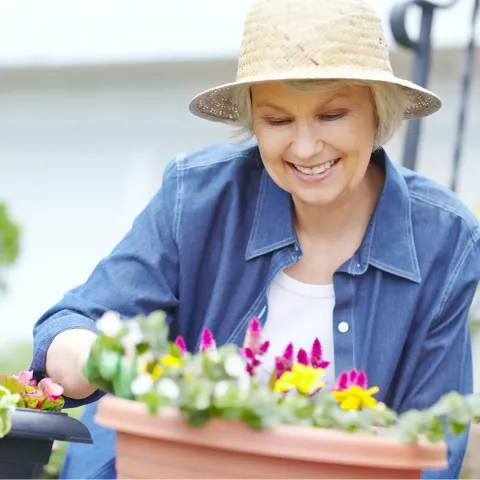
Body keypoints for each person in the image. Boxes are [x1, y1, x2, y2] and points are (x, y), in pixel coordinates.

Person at [29, 0, 480, 478]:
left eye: (332, 115)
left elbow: (433, 451)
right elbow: (69, 324)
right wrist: (90, 355)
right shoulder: (197, 197)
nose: (305, 148)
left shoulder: (445, 240)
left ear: (377, 111)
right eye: (278, 121)